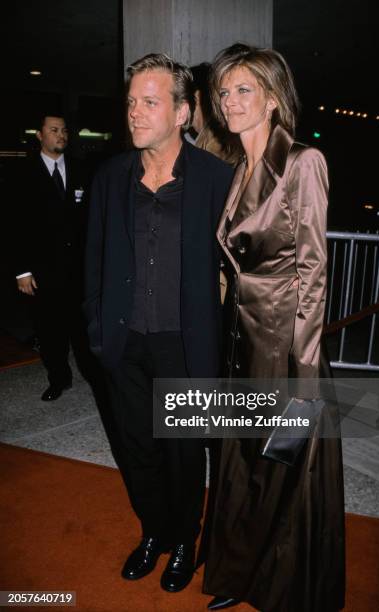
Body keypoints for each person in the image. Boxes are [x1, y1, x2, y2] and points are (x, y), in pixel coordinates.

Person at [202, 44, 345, 611]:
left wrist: (305, 374)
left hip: (288, 348)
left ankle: (282, 587)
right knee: (243, 465)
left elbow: (313, 270)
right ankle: (238, 577)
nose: (230, 102)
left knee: (283, 467)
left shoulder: (302, 162)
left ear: (271, 98)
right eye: (223, 92)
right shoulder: (240, 169)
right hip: (242, 341)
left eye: (243, 90)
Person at [84, 53, 233, 593]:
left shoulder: (218, 179)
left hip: (186, 345)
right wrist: (98, 331)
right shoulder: (110, 177)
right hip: (124, 343)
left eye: (150, 102)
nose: (135, 114)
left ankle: (185, 542)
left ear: (183, 112)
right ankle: (154, 532)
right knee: (138, 448)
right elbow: (95, 259)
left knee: (184, 454)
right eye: (131, 103)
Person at [15, 114, 89, 401]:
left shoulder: (81, 169)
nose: (61, 135)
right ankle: (59, 378)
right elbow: (13, 223)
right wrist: (22, 271)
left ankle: (93, 376)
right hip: (42, 270)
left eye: (64, 130)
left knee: (82, 330)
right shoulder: (23, 173)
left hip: (78, 269)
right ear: (40, 135)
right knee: (49, 331)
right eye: (54, 130)